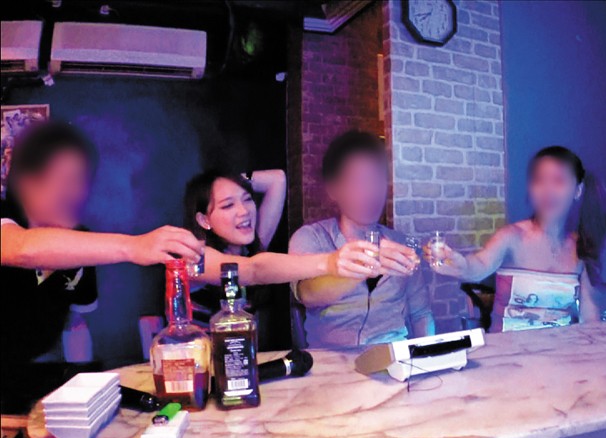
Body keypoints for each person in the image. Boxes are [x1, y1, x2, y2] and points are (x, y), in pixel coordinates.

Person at [0, 121, 203, 411]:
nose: (75, 191)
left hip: (22, 383)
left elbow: (75, 323)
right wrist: (134, 246)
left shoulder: (81, 243)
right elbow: (21, 248)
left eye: (80, 179)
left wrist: (81, 383)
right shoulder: (6, 218)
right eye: (61, 178)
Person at [425, 146, 606, 332]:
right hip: (508, 347)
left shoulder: (581, 247)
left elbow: (590, 318)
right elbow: (479, 265)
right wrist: (462, 266)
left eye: (558, 181)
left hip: (560, 348)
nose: (548, 190)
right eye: (539, 180)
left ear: (578, 190)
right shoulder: (512, 236)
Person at [183, 170, 383, 334]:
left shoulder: (250, 247)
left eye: (247, 199)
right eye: (228, 205)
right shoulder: (195, 255)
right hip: (194, 365)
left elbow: (277, 179)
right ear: (204, 220)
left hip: (238, 362)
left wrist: (234, 179)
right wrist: (331, 262)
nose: (244, 211)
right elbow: (254, 270)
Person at [289, 130, 435, 347]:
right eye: (357, 181)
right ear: (333, 189)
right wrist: (368, 265)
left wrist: (428, 355)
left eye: (376, 179)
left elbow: (420, 313)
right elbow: (309, 294)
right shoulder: (310, 238)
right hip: (332, 359)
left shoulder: (402, 244)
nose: (370, 191)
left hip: (392, 355)